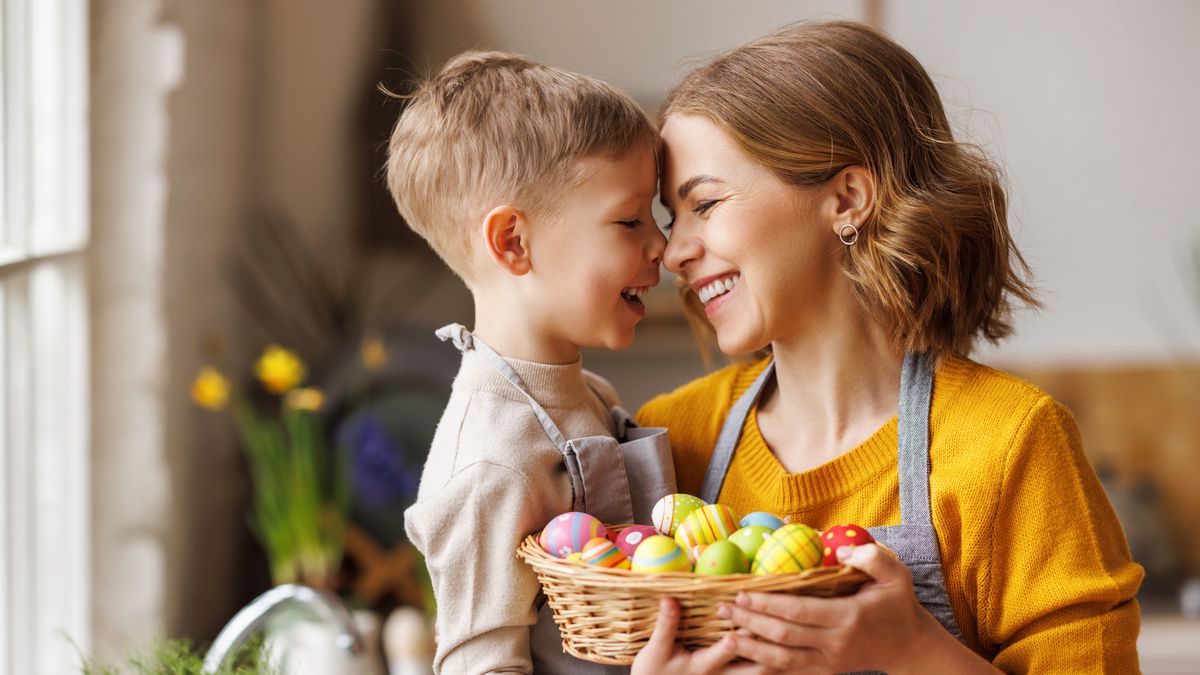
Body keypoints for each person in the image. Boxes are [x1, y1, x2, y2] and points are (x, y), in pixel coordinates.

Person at [634, 20, 1143, 673]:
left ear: (847, 199)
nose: (674, 252)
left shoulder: (1009, 446)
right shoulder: (671, 437)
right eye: (673, 220)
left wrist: (913, 649)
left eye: (704, 204)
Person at [388, 52, 675, 673]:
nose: (661, 244)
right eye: (629, 220)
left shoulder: (589, 393)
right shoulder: (492, 459)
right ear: (513, 242)